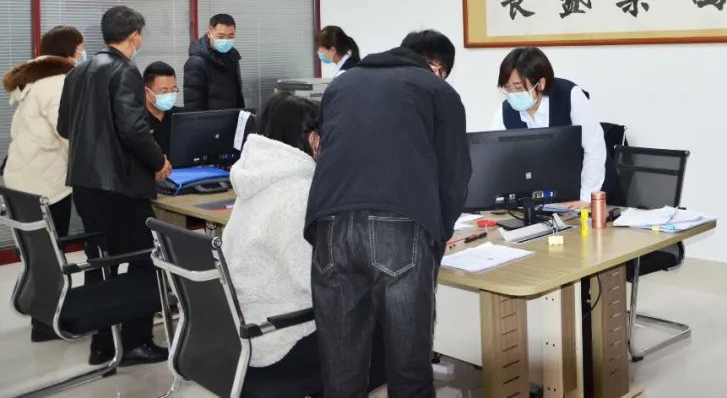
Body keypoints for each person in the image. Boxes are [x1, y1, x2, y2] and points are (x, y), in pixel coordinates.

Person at [306, 29, 470, 397]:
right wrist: (436, 235)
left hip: (330, 227)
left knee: (340, 374)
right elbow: (456, 176)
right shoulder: (437, 91)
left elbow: (326, 150)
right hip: (400, 227)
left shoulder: (341, 85)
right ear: (437, 67)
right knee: (409, 374)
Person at [57, 6, 171, 366]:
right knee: (147, 259)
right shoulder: (124, 70)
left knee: (102, 262)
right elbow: (134, 129)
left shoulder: (79, 70)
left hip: (85, 184)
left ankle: (103, 343)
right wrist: (159, 162)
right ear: (134, 36)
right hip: (119, 186)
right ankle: (136, 342)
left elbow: (64, 127)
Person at [222, 94, 325, 372]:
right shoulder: (299, 192)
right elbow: (314, 282)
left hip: (238, 332)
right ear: (313, 139)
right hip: (275, 339)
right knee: (375, 324)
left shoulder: (253, 178)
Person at [3, 25, 83, 342]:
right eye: (80, 48)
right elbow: (66, 133)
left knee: (40, 253)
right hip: (46, 185)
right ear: (69, 51)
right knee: (51, 253)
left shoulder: (35, 81)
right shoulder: (56, 84)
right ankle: (49, 322)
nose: (83, 53)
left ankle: (43, 316)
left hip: (22, 181)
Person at [489, 47, 605, 207]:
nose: (513, 94)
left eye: (518, 87)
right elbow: (492, 154)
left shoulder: (569, 95)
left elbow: (594, 147)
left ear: (541, 83)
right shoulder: (506, 110)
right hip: (545, 200)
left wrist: (585, 197)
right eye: (507, 88)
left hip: (590, 194)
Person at [183, 13, 244, 110]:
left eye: (230, 36)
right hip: (210, 119)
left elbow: (238, 95)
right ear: (209, 34)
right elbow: (193, 105)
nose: (226, 40)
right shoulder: (196, 63)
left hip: (232, 116)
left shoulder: (233, 57)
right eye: (221, 36)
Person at [143, 61, 179, 156]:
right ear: (147, 91)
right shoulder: (136, 121)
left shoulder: (180, 117)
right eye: (164, 91)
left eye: (173, 90)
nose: (170, 95)